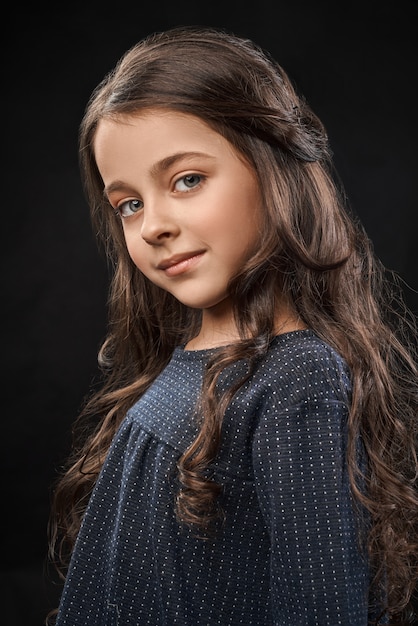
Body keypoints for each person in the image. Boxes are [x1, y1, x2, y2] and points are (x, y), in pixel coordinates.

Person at [47, 25, 418, 626]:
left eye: (187, 179)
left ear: (273, 169)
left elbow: (319, 606)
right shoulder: (192, 355)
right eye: (129, 203)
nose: (152, 226)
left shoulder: (297, 380)